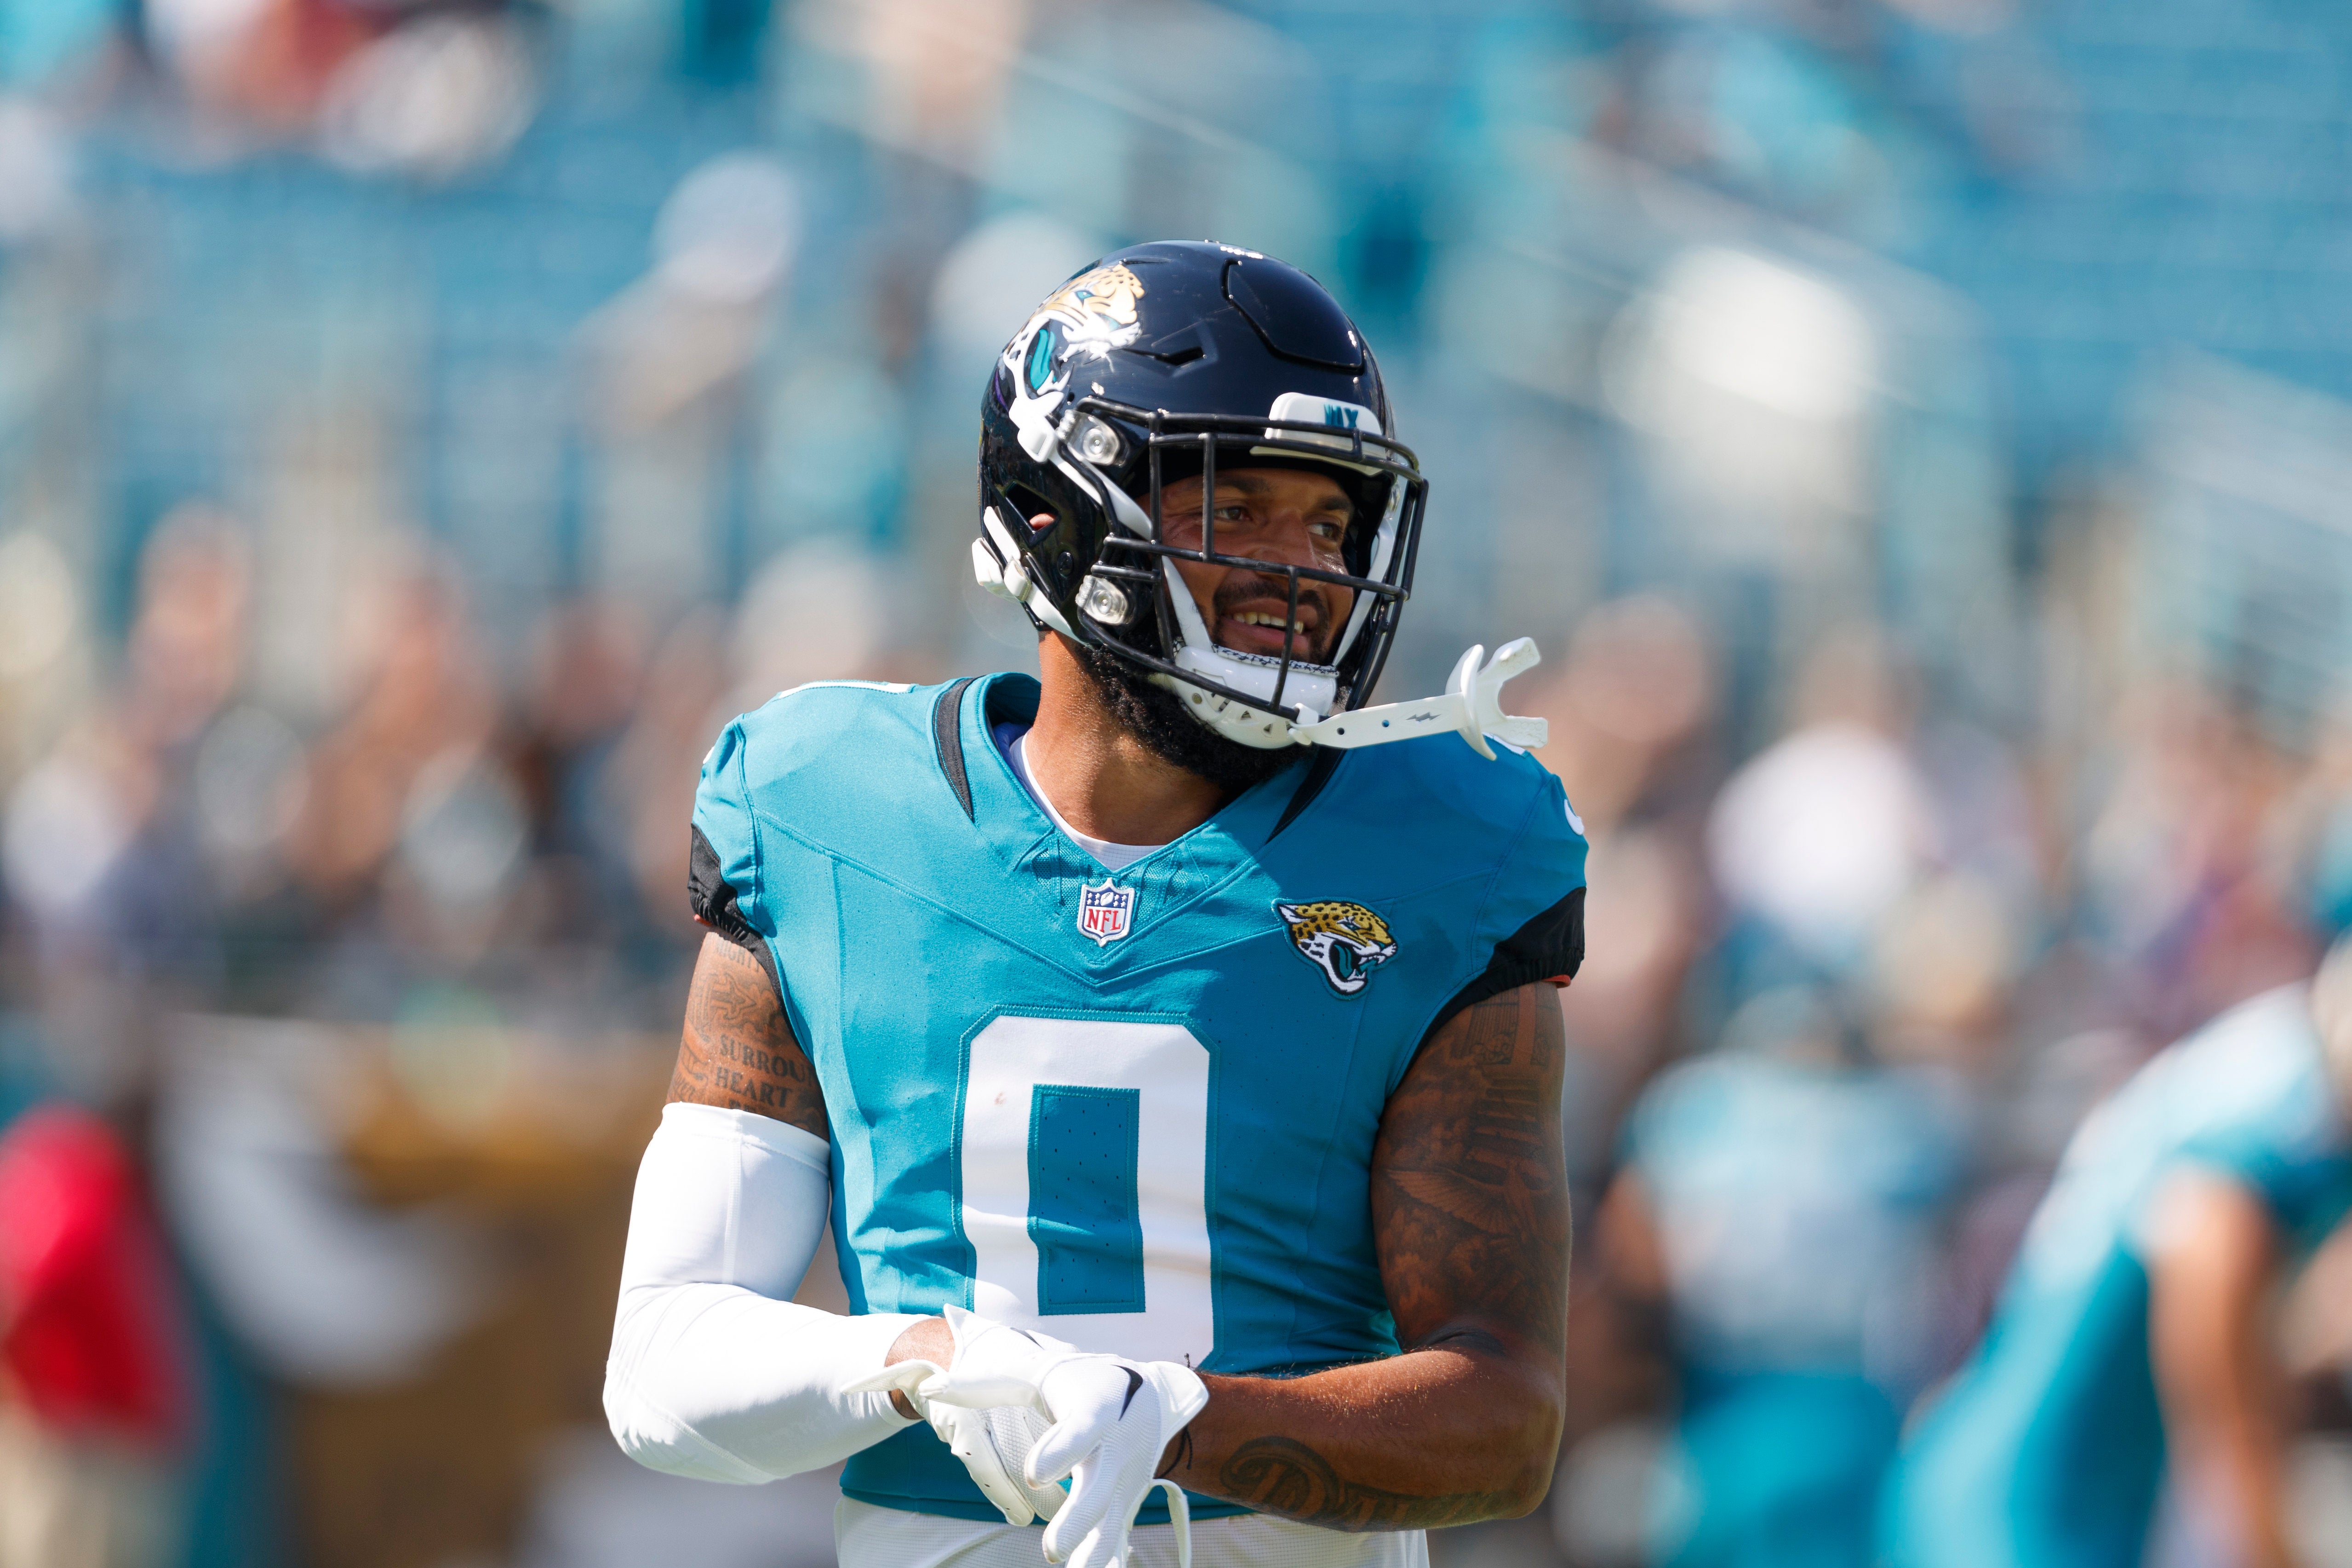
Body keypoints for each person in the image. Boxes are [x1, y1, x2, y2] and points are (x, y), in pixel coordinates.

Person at [601, 241, 1589, 1568]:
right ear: (1062, 512)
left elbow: (1505, 1420)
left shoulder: (1449, 849)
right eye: (1235, 510)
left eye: (1328, 523)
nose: (1299, 576)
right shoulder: (823, 810)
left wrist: (1179, 1416)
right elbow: (663, 1365)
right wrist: (938, 1365)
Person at [1881, 933, 2352, 1568]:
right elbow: (2225, 1432)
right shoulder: (2278, 1126)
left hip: (2015, 1491)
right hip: (2018, 1520)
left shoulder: (2271, 1065)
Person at [1596, 989, 1962, 1568]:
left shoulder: (1695, 1106)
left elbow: (1633, 1257)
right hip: (1845, 1400)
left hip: (1730, 1397)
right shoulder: (1905, 1119)